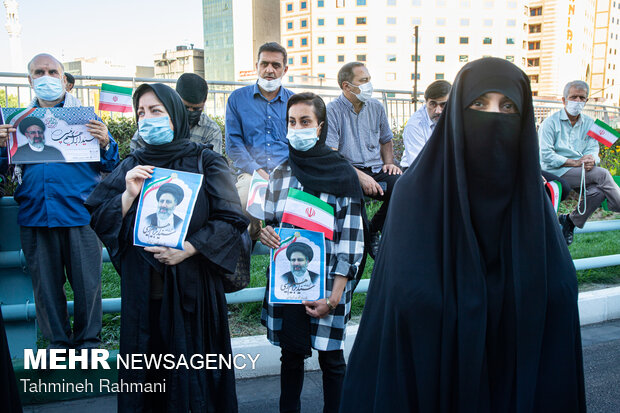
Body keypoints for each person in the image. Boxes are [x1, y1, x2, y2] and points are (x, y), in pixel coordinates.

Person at [339, 58, 585, 412]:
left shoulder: (529, 197)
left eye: (508, 107)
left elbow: (559, 290)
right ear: (457, 113)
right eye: (480, 105)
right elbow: (401, 305)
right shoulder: (415, 195)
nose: (494, 118)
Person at [86, 83, 248, 412]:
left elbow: (231, 217)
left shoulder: (206, 161)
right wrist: (128, 195)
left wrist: (190, 247)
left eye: (156, 111)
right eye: (141, 112)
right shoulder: (132, 163)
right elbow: (100, 215)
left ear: (174, 115)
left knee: (194, 381)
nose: (147, 119)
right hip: (144, 297)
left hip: (193, 295)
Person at [0, 53, 119, 353]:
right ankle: (57, 345)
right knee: (46, 289)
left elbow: (112, 165)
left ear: (65, 80)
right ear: (29, 79)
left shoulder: (87, 118)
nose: (46, 77)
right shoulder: (15, 123)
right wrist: (1, 147)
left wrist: (106, 141)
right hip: (36, 214)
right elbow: (5, 170)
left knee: (88, 286)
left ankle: (89, 343)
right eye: (39, 72)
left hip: (80, 215)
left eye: (53, 71)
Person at [259, 92, 365, 413]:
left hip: (330, 285)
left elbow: (351, 241)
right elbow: (270, 224)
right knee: (290, 357)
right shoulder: (280, 174)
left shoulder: (342, 174)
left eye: (305, 121)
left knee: (331, 359)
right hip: (288, 285)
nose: (297, 128)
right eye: (292, 122)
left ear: (320, 127)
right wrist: (264, 232)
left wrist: (333, 298)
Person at [326, 62, 401, 257]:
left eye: (369, 79)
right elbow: (333, 155)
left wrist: (389, 163)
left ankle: (374, 227)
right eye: (364, 80)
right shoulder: (332, 111)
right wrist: (360, 177)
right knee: (354, 198)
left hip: (376, 169)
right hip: (347, 172)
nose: (369, 85)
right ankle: (365, 242)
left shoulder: (376, 106)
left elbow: (386, 140)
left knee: (405, 185)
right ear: (346, 86)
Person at [226, 42, 294, 240]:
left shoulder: (295, 102)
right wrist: (258, 171)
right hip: (251, 174)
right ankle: (243, 256)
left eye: (276, 65)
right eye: (264, 64)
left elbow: (299, 145)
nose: (269, 70)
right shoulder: (237, 99)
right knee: (246, 197)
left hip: (288, 174)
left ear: (285, 69)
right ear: (257, 66)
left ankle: (286, 257)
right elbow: (234, 145)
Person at [539, 80, 620, 245]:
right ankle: (617, 204)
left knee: (598, 191)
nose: (577, 101)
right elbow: (546, 155)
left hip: (580, 170)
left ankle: (570, 221)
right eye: (573, 97)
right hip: (554, 171)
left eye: (581, 98)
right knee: (603, 174)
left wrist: (591, 159)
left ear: (586, 101)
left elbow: (593, 149)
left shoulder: (590, 124)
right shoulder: (550, 123)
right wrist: (575, 162)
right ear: (564, 100)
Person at [130, 73, 223, 154]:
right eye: (185, 107)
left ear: (204, 104)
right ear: (175, 100)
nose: (190, 111)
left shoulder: (211, 130)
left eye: (196, 109)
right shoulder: (155, 127)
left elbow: (214, 166)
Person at [400, 80, 451, 169]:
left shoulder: (457, 118)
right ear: (426, 102)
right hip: (416, 171)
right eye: (433, 104)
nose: (438, 111)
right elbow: (418, 165)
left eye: (443, 105)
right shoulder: (415, 125)